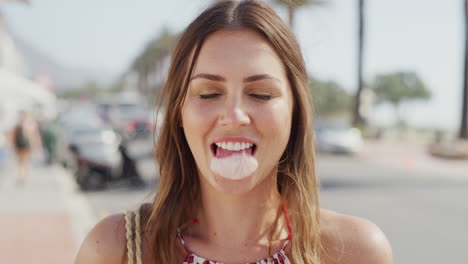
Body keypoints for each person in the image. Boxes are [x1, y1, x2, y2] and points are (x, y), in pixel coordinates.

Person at [75, 1, 393, 264]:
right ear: (179, 113)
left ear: (295, 112)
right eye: (209, 93)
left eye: (262, 94)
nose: (234, 116)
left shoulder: (356, 252)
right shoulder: (114, 248)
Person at [11, 110, 41, 186]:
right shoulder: (30, 124)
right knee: (25, 162)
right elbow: (34, 136)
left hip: (19, 146)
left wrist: (13, 146)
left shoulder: (17, 125)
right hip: (27, 146)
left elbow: (13, 137)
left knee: (20, 163)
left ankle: (20, 176)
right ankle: (23, 177)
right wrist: (36, 146)